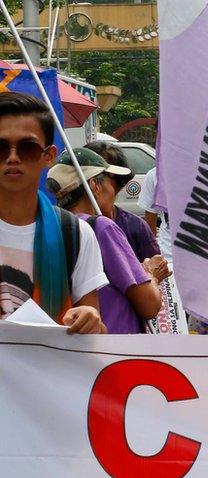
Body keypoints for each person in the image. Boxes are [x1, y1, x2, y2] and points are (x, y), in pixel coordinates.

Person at [0, 92, 106, 333]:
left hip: (48, 367)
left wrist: (91, 320)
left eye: (27, 148)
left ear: (48, 156)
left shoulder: (75, 234)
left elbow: (97, 335)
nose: (13, 158)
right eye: (1, 148)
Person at [47, 147, 161, 334]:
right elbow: (149, 304)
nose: (115, 190)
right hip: (115, 348)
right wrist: (151, 274)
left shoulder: (53, 226)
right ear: (94, 185)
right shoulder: (101, 227)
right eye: (112, 182)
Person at [84, 140, 161, 263]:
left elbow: (156, 270)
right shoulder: (71, 227)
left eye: (99, 177)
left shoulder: (136, 227)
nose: (90, 184)